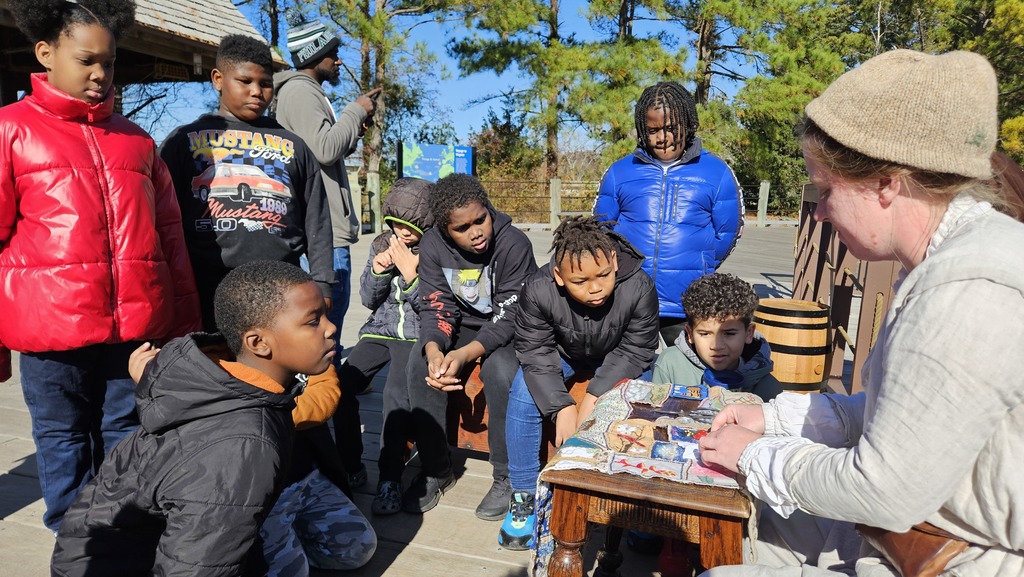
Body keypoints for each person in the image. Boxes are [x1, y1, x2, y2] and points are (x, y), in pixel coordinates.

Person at [697, 49, 1024, 577]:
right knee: (755, 518)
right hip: (919, 533)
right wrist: (774, 418)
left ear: (887, 183)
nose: (820, 211)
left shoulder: (966, 290)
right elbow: (902, 414)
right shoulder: (949, 260)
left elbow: (886, 489)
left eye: (826, 191)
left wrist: (754, 457)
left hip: (955, 557)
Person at [0, 0, 200, 533]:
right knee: (62, 437)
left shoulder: (136, 141)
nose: (99, 74)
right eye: (86, 60)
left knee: (126, 431)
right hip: (48, 334)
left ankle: (122, 535)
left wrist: (183, 327)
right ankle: (74, 543)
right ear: (46, 53)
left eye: (108, 63)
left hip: (132, 330)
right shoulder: (10, 130)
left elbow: (170, 238)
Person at [51, 260, 337, 577]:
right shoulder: (243, 446)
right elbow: (195, 568)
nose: (331, 328)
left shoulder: (215, 376)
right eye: (313, 322)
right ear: (258, 343)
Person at [499, 216, 659, 550]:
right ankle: (524, 494)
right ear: (558, 277)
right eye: (580, 281)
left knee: (641, 400)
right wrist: (561, 406)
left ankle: (634, 497)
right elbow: (535, 349)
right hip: (563, 352)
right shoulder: (538, 288)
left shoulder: (639, 285)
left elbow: (638, 347)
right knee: (523, 391)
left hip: (619, 355)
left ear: (614, 260)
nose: (596, 287)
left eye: (603, 275)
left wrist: (593, 396)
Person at [160, 34, 334, 330]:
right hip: (206, 286)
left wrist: (324, 284)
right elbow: (161, 217)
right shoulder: (182, 141)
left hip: (281, 289)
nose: (257, 91)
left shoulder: (294, 145)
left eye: (265, 83)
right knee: (212, 368)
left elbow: (317, 219)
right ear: (218, 79)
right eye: (245, 81)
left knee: (274, 372)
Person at [405, 174, 538, 519]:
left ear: (488, 209)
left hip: (515, 328)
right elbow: (436, 305)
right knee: (420, 364)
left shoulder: (513, 243)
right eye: (462, 228)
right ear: (446, 230)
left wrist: (465, 354)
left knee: (500, 370)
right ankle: (436, 468)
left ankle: (506, 475)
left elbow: (511, 314)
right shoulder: (433, 246)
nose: (476, 231)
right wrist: (435, 349)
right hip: (465, 325)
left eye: (481, 219)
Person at [594, 81, 744, 347]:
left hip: (687, 299)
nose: (662, 138)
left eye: (671, 128)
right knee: (628, 372)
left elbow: (727, 232)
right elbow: (603, 231)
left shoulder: (715, 172)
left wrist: (702, 263)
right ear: (643, 130)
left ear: (687, 124)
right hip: (629, 295)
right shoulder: (620, 172)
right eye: (653, 130)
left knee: (689, 375)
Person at [273, 8, 382, 350]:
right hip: (322, 233)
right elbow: (323, 149)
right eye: (332, 54)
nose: (337, 60)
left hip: (324, 228)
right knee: (326, 329)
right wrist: (356, 110)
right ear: (315, 56)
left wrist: (350, 132)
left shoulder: (306, 92)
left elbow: (324, 155)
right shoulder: (301, 92)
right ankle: (326, 398)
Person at [330, 177, 435, 514]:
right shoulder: (380, 244)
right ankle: (351, 464)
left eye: (410, 229)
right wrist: (378, 269)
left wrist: (411, 276)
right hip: (380, 331)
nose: (402, 235)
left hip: (415, 335)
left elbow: (434, 307)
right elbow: (369, 299)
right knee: (340, 386)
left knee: (394, 395)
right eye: (396, 226)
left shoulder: (434, 251)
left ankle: (390, 478)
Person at [653, 273, 783, 402]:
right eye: (704, 334)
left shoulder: (767, 388)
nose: (716, 346)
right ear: (690, 334)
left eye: (729, 334)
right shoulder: (670, 364)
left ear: (749, 333)